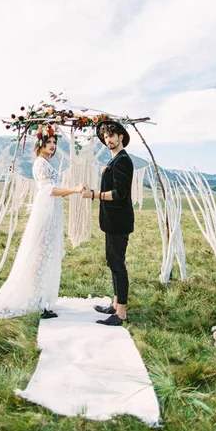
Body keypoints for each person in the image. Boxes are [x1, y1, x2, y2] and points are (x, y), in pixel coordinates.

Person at [0, 127, 85, 320]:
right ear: (40, 144)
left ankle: (41, 300)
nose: (52, 146)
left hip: (52, 211)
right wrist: (75, 189)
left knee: (46, 254)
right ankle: (37, 300)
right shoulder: (40, 164)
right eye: (49, 142)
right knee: (39, 254)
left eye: (54, 143)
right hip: (45, 211)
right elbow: (49, 190)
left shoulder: (45, 163)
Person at [82, 121, 134, 326]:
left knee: (118, 265)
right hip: (112, 222)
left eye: (112, 136)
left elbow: (120, 194)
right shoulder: (115, 160)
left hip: (118, 222)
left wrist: (93, 195)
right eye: (105, 137)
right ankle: (115, 304)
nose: (108, 140)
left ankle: (121, 313)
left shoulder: (122, 160)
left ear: (121, 137)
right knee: (113, 262)